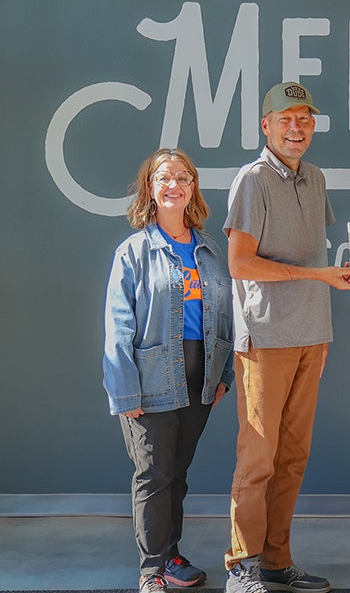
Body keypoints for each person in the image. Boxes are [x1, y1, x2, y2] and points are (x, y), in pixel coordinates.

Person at [222, 82, 350, 593]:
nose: (296, 128)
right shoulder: (253, 180)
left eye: (304, 119)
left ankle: (277, 561)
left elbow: (313, 257)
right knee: (258, 458)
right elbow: (240, 264)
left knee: (293, 456)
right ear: (266, 126)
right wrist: (318, 279)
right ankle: (242, 565)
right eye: (286, 119)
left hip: (309, 337)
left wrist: (321, 333)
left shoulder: (315, 177)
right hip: (265, 338)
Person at [103, 148, 235, 593]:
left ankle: (171, 554)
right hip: (151, 378)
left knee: (176, 472)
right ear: (150, 190)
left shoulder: (210, 250)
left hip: (199, 377)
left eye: (183, 177)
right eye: (164, 178)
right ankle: (151, 569)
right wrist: (125, 393)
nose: (174, 184)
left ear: (193, 187)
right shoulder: (134, 252)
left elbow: (227, 318)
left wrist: (224, 376)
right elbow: (119, 325)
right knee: (153, 474)